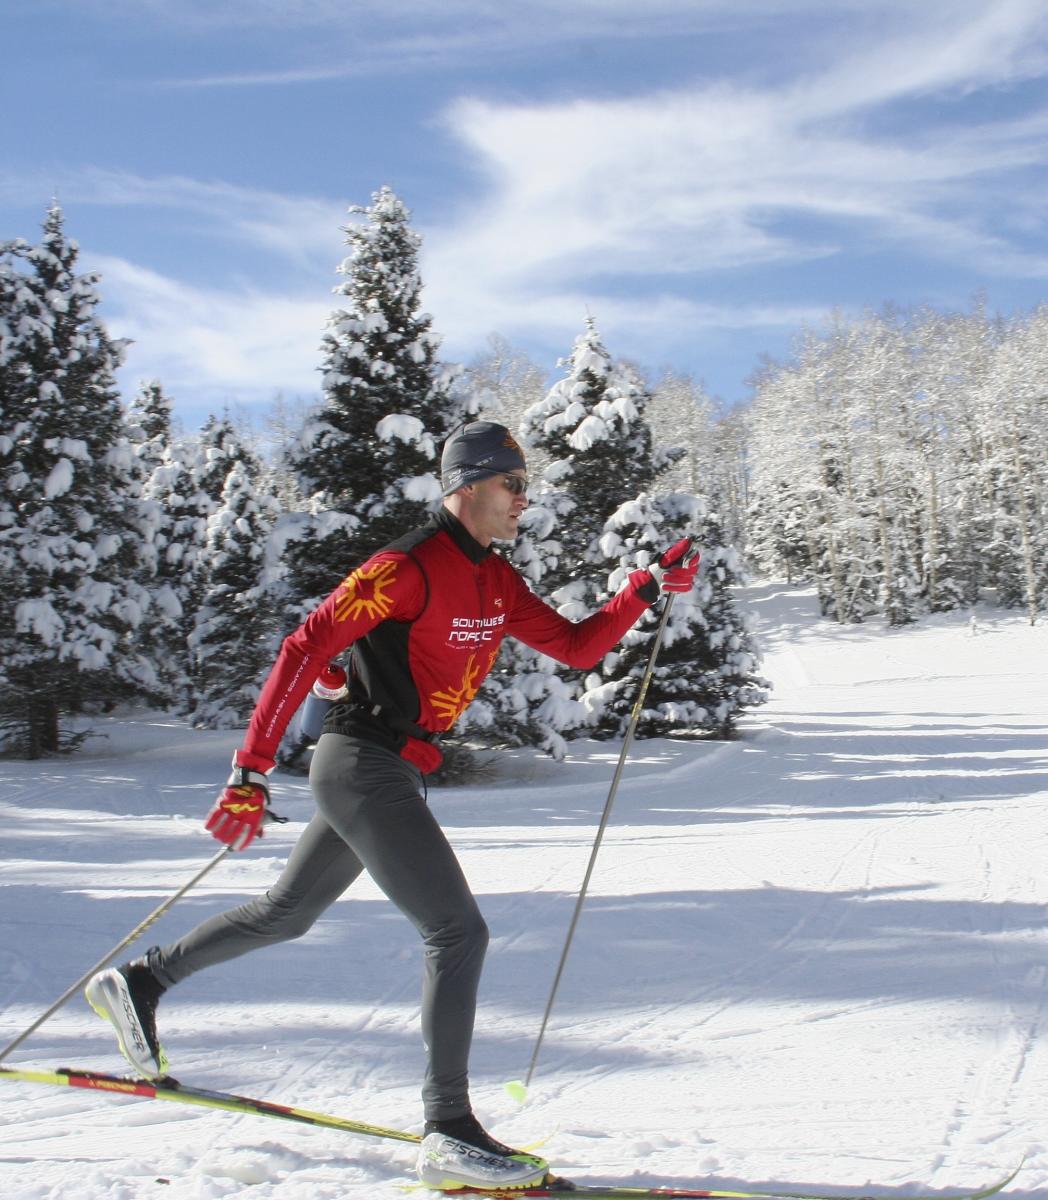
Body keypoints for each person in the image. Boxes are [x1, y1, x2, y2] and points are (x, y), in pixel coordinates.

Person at [85, 420, 699, 1190]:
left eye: (524, 485)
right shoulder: (406, 566)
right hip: (360, 762)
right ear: (468, 486)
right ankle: (448, 1129)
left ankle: (139, 983)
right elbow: (304, 646)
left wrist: (641, 590)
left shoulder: (496, 580)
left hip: (394, 772)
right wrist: (250, 770)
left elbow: (576, 648)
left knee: (286, 912)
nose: (523, 499)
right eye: (512, 484)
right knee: (457, 930)